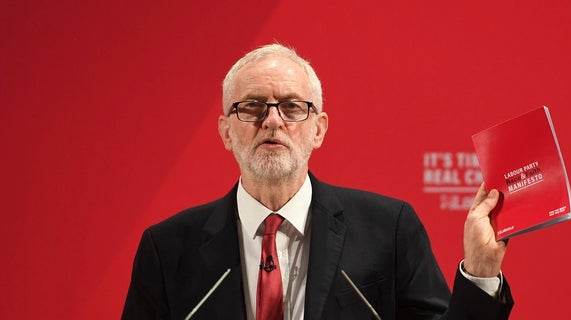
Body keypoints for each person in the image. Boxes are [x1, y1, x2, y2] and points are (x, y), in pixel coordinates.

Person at [122, 44, 514, 319]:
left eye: (292, 106)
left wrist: (479, 273)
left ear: (318, 129)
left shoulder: (389, 229)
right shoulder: (167, 248)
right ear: (225, 132)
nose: (272, 120)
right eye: (252, 107)